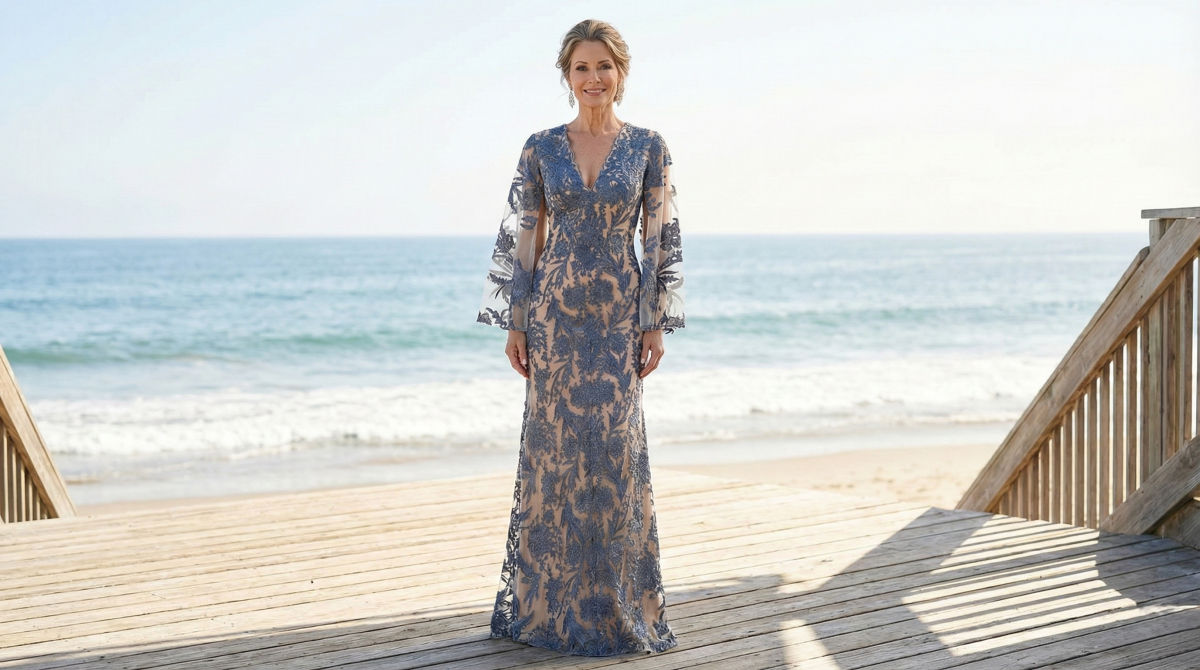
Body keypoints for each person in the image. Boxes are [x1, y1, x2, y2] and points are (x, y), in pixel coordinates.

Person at [476, 18, 685, 657]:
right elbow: (525, 238)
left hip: (619, 319)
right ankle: (545, 611)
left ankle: (622, 607)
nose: (592, 79)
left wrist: (654, 319)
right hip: (554, 321)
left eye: (603, 67)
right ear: (567, 77)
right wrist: (515, 320)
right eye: (580, 69)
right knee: (554, 457)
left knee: (616, 459)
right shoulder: (540, 147)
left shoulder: (649, 146)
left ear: (620, 72)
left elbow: (659, 240)